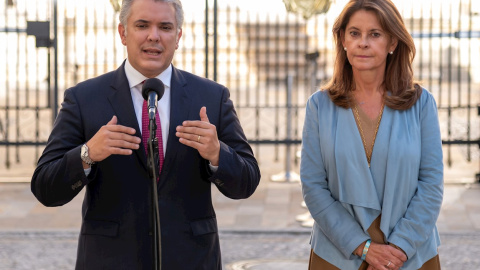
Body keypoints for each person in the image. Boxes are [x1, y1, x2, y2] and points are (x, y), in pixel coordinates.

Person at [31, 0, 260, 269]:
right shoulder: (83, 98)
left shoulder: (211, 96)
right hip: (111, 260)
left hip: (191, 259)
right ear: (123, 33)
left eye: (165, 27)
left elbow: (247, 181)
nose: (154, 35)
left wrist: (218, 154)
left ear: (178, 37)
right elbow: (45, 188)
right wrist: (87, 154)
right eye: (142, 25)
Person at [300, 0, 443, 269]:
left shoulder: (422, 103)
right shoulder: (319, 106)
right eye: (354, 33)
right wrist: (361, 245)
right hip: (337, 253)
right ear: (343, 40)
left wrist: (400, 246)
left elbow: (431, 184)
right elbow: (313, 186)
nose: (363, 43)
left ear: (392, 43)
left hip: (409, 255)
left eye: (374, 34)